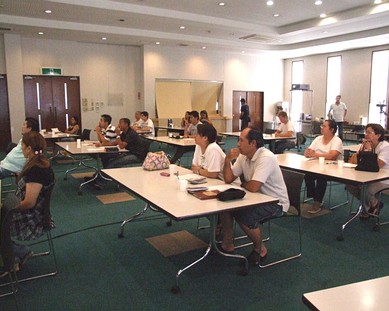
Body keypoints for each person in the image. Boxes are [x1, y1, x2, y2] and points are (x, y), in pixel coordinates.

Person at [219, 127, 289, 265]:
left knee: (243, 214)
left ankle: (260, 249)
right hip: (256, 198)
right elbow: (228, 178)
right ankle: (227, 243)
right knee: (225, 207)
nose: (238, 144)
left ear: (253, 143)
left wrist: (242, 184)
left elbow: (253, 187)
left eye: (241, 140)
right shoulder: (243, 156)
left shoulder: (266, 157)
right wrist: (227, 161)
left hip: (276, 203)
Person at [0, 131, 55, 277]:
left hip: (31, 218)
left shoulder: (36, 170)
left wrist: (6, 208)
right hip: (32, 212)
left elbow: (29, 203)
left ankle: (16, 254)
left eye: (22, 146)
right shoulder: (38, 163)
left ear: (29, 148)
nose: (21, 149)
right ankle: (13, 255)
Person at [347, 123, 389, 217]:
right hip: (367, 176)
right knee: (350, 185)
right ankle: (374, 204)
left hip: (383, 179)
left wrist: (368, 151)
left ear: (378, 135)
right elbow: (352, 161)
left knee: (366, 188)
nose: (366, 135)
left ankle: (367, 209)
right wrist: (361, 150)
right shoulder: (365, 144)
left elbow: (378, 165)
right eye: (366, 132)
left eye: (369, 132)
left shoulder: (385, 147)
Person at [304, 119, 343, 214]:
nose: (322, 128)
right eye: (322, 126)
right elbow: (307, 152)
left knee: (321, 177)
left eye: (324, 126)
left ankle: (317, 202)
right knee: (308, 175)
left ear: (332, 129)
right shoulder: (318, 139)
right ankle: (315, 197)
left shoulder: (336, 140)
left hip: (333, 168)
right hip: (317, 165)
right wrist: (313, 154)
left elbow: (332, 156)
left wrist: (315, 154)